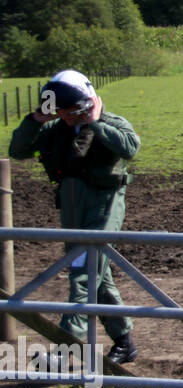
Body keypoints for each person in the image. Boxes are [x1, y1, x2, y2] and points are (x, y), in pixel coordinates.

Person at [8, 69, 141, 364]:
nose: (65, 117)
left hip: (103, 207)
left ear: (84, 105)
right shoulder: (54, 129)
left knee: (85, 274)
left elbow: (131, 147)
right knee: (97, 274)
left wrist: (94, 122)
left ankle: (67, 345)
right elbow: (17, 150)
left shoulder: (110, 123)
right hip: (71, 210)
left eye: (69, 111)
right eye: (59, 111)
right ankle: (124, 341)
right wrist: (35, 120)